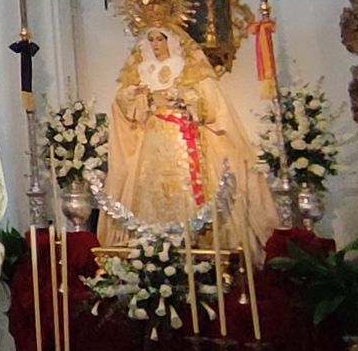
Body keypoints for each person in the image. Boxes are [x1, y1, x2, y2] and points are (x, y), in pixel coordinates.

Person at [97, 23, 278, 258]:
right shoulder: (142, 70)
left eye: (160, 39)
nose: (155, 45)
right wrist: (137, 97)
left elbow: (210, 105)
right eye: (151, 40)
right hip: (152, 139)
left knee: (187, 187)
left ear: (171, 41)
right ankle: (151, 245)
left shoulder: (188, 67)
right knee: (150, 187)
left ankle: (196, 241)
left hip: (182, 137)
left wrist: (185, 98)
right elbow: (124, 104)